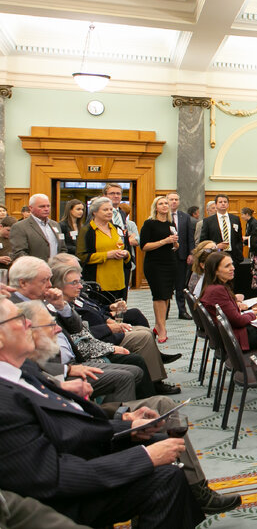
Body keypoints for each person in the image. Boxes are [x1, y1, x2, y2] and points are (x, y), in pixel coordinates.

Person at [20, 300, 241, 516]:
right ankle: (194, 493)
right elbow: (62, 438)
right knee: (166, 468)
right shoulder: (18, 380)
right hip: (81, 451)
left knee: (161, 407)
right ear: (24, 332)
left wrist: (124, 417)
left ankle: (198, 490)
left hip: (89, 409)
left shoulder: (27, 366)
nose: (58, 328)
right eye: (50, 325)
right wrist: (121, 420)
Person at [50, 263, 181, 394]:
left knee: (143, 328)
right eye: (74, 282)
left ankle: (155, 367)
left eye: (80, 281)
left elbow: (94, 312)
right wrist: (110, 332)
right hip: (96, 342)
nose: (80, 286)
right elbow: (82, 336)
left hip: (98, 336)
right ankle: (154, 385)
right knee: (143, 340)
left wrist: (110, 312)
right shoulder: (56, 307)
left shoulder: (72, 301)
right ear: (59, 286)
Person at [199, 251, 257, 351]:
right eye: (227, 266)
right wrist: (253, 315)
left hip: (231, 336)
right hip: (238, 339)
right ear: (215, 271)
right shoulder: (217, 290)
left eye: (232, 264)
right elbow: (238, 321)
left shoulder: (212, 287)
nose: (233, 268)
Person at [140, 196, 180, 342]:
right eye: (161, 203)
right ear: (155, 207)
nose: (164, 205)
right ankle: (162, 328)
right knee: (159, 295)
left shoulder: (171, 223)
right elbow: (144, 246)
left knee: (167, 295)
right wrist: (165, 241)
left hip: (170, 262)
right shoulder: (149, 224)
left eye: (166, 203)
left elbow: (175, 245)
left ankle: (159, 324)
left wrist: (175, 244)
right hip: (155, 264)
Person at [77, 196, 130, 299]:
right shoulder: (87, 230)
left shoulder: (116, 228)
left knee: (119, 311)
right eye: (105, 210)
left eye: (111, 209)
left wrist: (126, 254)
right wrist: (107, 255)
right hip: (99, 283)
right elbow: (81, 257)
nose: (109, 212)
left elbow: (126, 248)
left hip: (119, 281)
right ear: (94, 212)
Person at [10, 193, 67, 261]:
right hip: (34, 269)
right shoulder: (20, 227)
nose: (46, 209)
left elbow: (62, 248)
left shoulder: (55, 225)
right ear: (31, 208)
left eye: (48, 206)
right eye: (42, 206)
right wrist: (38, 267)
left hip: (56, 269)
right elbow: (19, 253)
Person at [168, 192, 196, 320]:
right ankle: (165, 311)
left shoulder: (185, 217)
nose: (174, 202)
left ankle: (182, 311)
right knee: (167, 285)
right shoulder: (161, 217)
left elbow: (190, 237)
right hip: (166, 255)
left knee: (181, 286)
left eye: (176, 199)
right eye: (171, 199)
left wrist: (191, 253)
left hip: (182, 256)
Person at [103, 183, 134, 296]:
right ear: (105, 196)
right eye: (112, 193)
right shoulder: (98, 213)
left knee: (122, 296)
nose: (116, 196)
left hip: (123, 259)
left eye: (118, 193)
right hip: (108, 259)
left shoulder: (121, 213)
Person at [199, 194, 243, 263]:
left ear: (228, 204)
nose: (223, 204)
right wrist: (216, 246)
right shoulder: (208, 221)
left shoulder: (235, 219)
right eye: (220, 202)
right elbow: (203, 241)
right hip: (216, 255)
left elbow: (239, 238)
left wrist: (239, 251)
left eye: (225, 202)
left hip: (233, 256)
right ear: (216, 205)